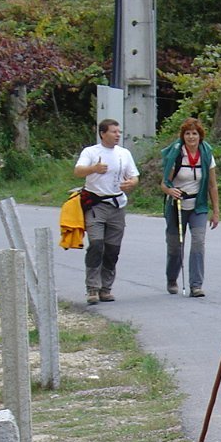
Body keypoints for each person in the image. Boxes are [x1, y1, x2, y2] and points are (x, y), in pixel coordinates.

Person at [73, 119, 140, 305]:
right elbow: (78, 171)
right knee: (96, 245)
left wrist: (131, 183)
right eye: (113, 131)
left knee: (112, 249)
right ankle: (92, 288)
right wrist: (93, 169)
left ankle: (106, 288)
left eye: (119, 131)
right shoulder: (91, 152)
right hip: (96, 204)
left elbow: (134, 175)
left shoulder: (124, 153)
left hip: (117, 205)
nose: (118, 135)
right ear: (103, 134)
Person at [160, 117, 220, 297]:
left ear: (200, 136)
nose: (191, 137)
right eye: (187, 133)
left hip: (198, 206)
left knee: (198, 243)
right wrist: (171, 191)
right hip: (177, 206)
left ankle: (196, 285)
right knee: (175, 247)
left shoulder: (206, 155)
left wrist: (216, 211)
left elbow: (212, 185)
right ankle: (172, 278)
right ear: (183, 136)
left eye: (194, 133)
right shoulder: (176, 155)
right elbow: (164, 184)